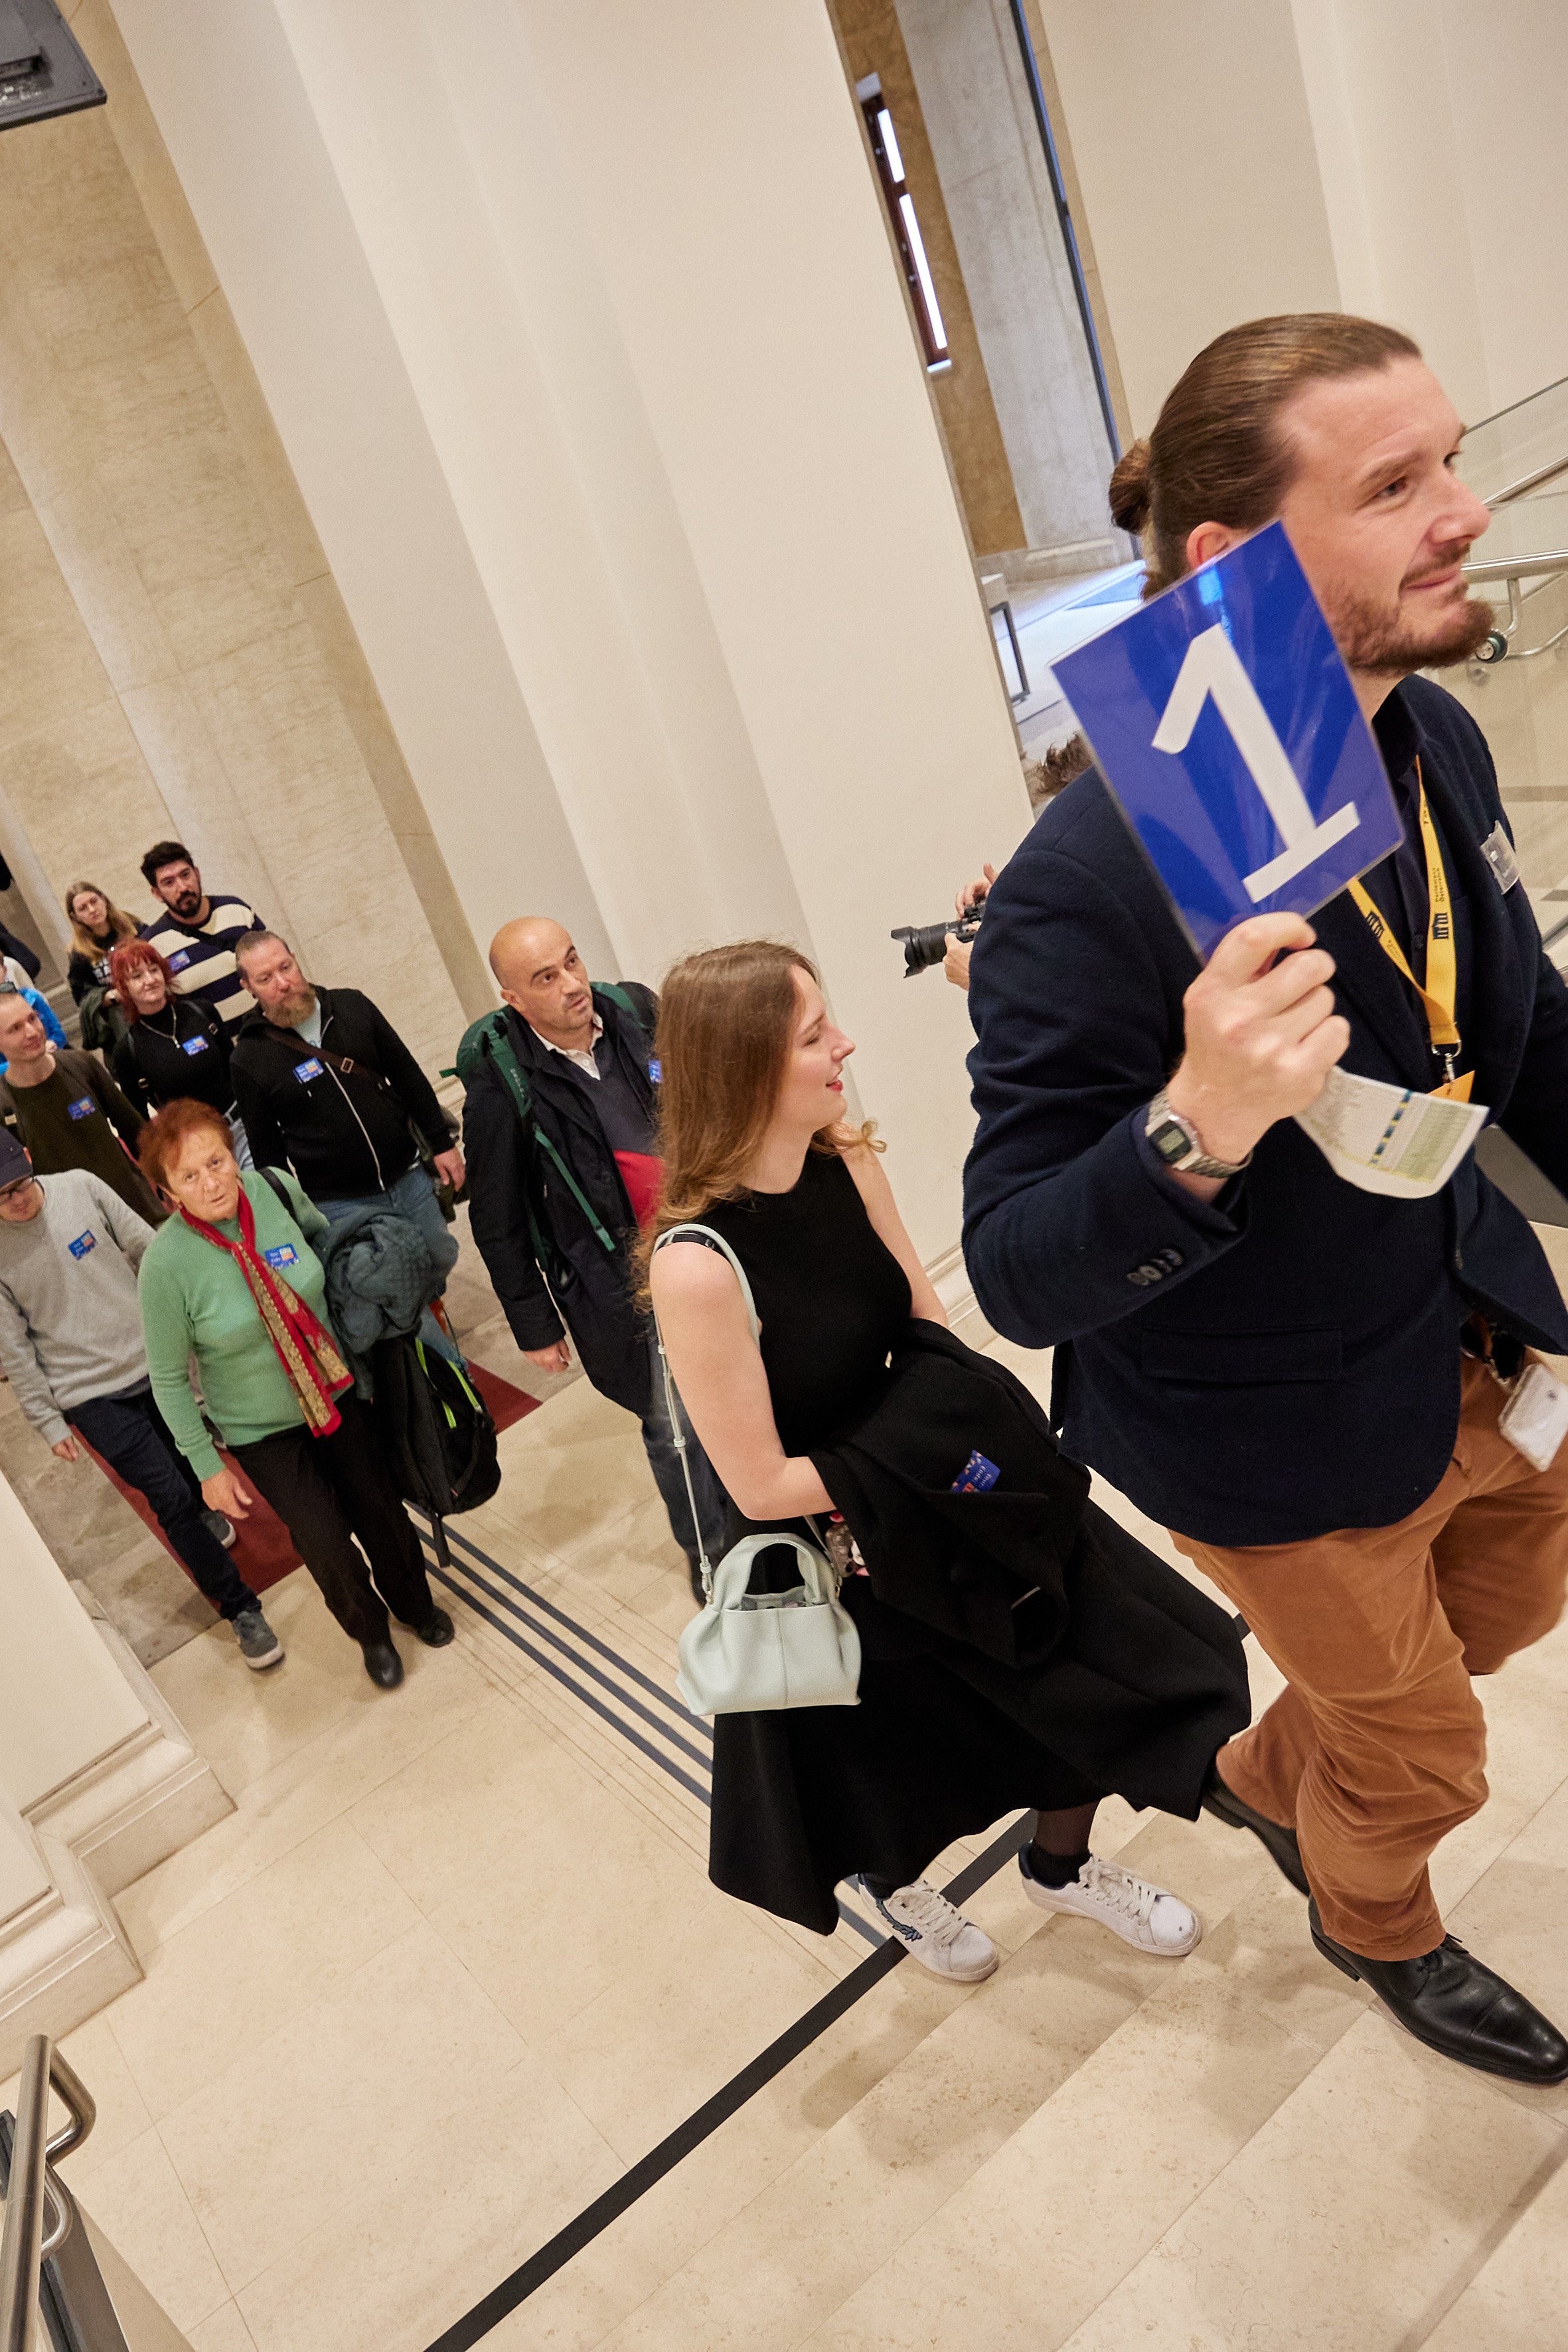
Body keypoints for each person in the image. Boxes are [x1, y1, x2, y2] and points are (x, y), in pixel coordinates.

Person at [963, 312, 1568, 2086]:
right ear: (1234, 559)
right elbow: (1014, 1268)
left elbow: (1515, 1040)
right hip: (1274, 1437)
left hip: (1470, 1323)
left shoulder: (1434, 739)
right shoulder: (1087, 880)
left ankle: (1265, 1766)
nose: (1465, 511)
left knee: (1505, 1607)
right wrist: (1198, 1118)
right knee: (1427, 1751)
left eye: (1451, 460)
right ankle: (1371, 1915)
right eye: (1393, 485)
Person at [647, 941, 1248, 1978]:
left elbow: (925, 1327)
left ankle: (1060, 1865)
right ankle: (901, 1891)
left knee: (1081, 1685)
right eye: (814, 1035)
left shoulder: (846, 1158)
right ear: (746, 1067)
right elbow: (760, 1483)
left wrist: (972, 1449)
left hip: (931, 1490)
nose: (845, 1044)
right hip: (849, 1549)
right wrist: (917, 1463)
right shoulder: (696, 1264)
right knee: (899, 1766)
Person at [137, 1099, 454, 1689]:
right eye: (190, 1176)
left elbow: (325, 1247)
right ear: (168, 1192)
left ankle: (416, 1604)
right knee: (325, 1541)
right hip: (262, 1429)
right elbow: (169, 1377)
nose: (211, 1182)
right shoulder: (165, 1265)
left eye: (217, 1162)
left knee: (381, 1511)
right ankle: (371, 1634)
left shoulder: (273, 1191)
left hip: (337, 1389)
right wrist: (206, 1466)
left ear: (233, 1154)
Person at [464, 916, 727, 1595]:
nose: (572, 984)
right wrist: (535, 1323)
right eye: (546, 977)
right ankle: (712, 1560)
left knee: (749, 1385)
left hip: (709, 1247)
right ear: (513, 999)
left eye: (572, 961)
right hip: (619, 1283)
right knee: (672, 1426)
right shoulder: (502, 1085)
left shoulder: (637, 1013)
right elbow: (496, 1217)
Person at [0, 1131, 283, 1668]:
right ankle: (241, 1610)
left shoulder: (80, 1187)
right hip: (89, 1393)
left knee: (189, 1464)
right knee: (169, 1498)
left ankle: (204, 1511)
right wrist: (47, 1420)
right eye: (1, 1195)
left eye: (19, 1183)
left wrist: (194, 1315)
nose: (15, 1199)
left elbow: (148, 1247)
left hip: (154, 1359)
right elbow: (13, 1347)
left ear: (30, 1158)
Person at [228, 933, 461, 1321]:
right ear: (247, 987)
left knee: (440, 1253)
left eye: (286, 967)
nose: (283, 983)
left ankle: (430, 1305)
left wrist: (442, 1144)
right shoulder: (249, 1058)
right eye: (265, 979)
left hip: (406, 1174)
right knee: (386, 1283)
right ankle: (426, 1336)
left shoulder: (352, 1006)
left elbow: (408, 1076)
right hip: (339, 1200)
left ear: (295, 960)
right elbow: (268, 1152)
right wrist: (289, 1217)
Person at [0, 985, 163, 1223]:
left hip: (136, 1209)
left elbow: (136, 1133)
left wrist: (170, 1183)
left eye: (33, 1019)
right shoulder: (4, 1104)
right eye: (15, 1029)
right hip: (72, 1227)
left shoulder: (82, 1065)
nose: (32, 1032)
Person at [110, 941, 250, 1164]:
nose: (150, 980)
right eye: (137, 976)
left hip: (240, 1131)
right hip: (191, 1147)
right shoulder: (127, 1050)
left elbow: (235, 1071)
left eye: (154, 970)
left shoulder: (201, 1011)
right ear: (124, 988)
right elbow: (138, 1122)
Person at [138, 841, 264, 1036]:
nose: (183, 887)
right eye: (169, 883)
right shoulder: (153, 945)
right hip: (221, 1049)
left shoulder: (236, 909)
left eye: (185, 875)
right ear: (157, 894)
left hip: (272, 1034)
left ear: (197, 874)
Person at [64, 881, 139, 1052]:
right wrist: (108, 998)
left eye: (94, 901)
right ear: (75, 917)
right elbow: (81, 997)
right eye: (83, 908)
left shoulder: (131, 925)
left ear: (103, 900)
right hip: (121, 1021)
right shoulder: (79, 953)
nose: (92, 910)